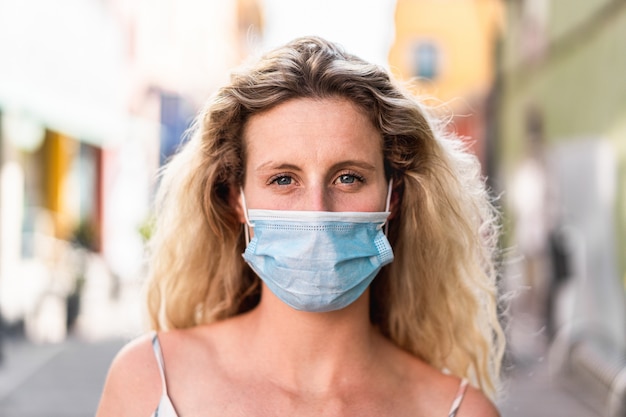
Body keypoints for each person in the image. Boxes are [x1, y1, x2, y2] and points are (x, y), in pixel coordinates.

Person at [96, 36, 505, 417]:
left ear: (392, 197)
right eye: (283, 179)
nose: (317, 211)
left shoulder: (459, 410)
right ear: (236, 199)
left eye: (348, 177)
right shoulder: (149, 380)